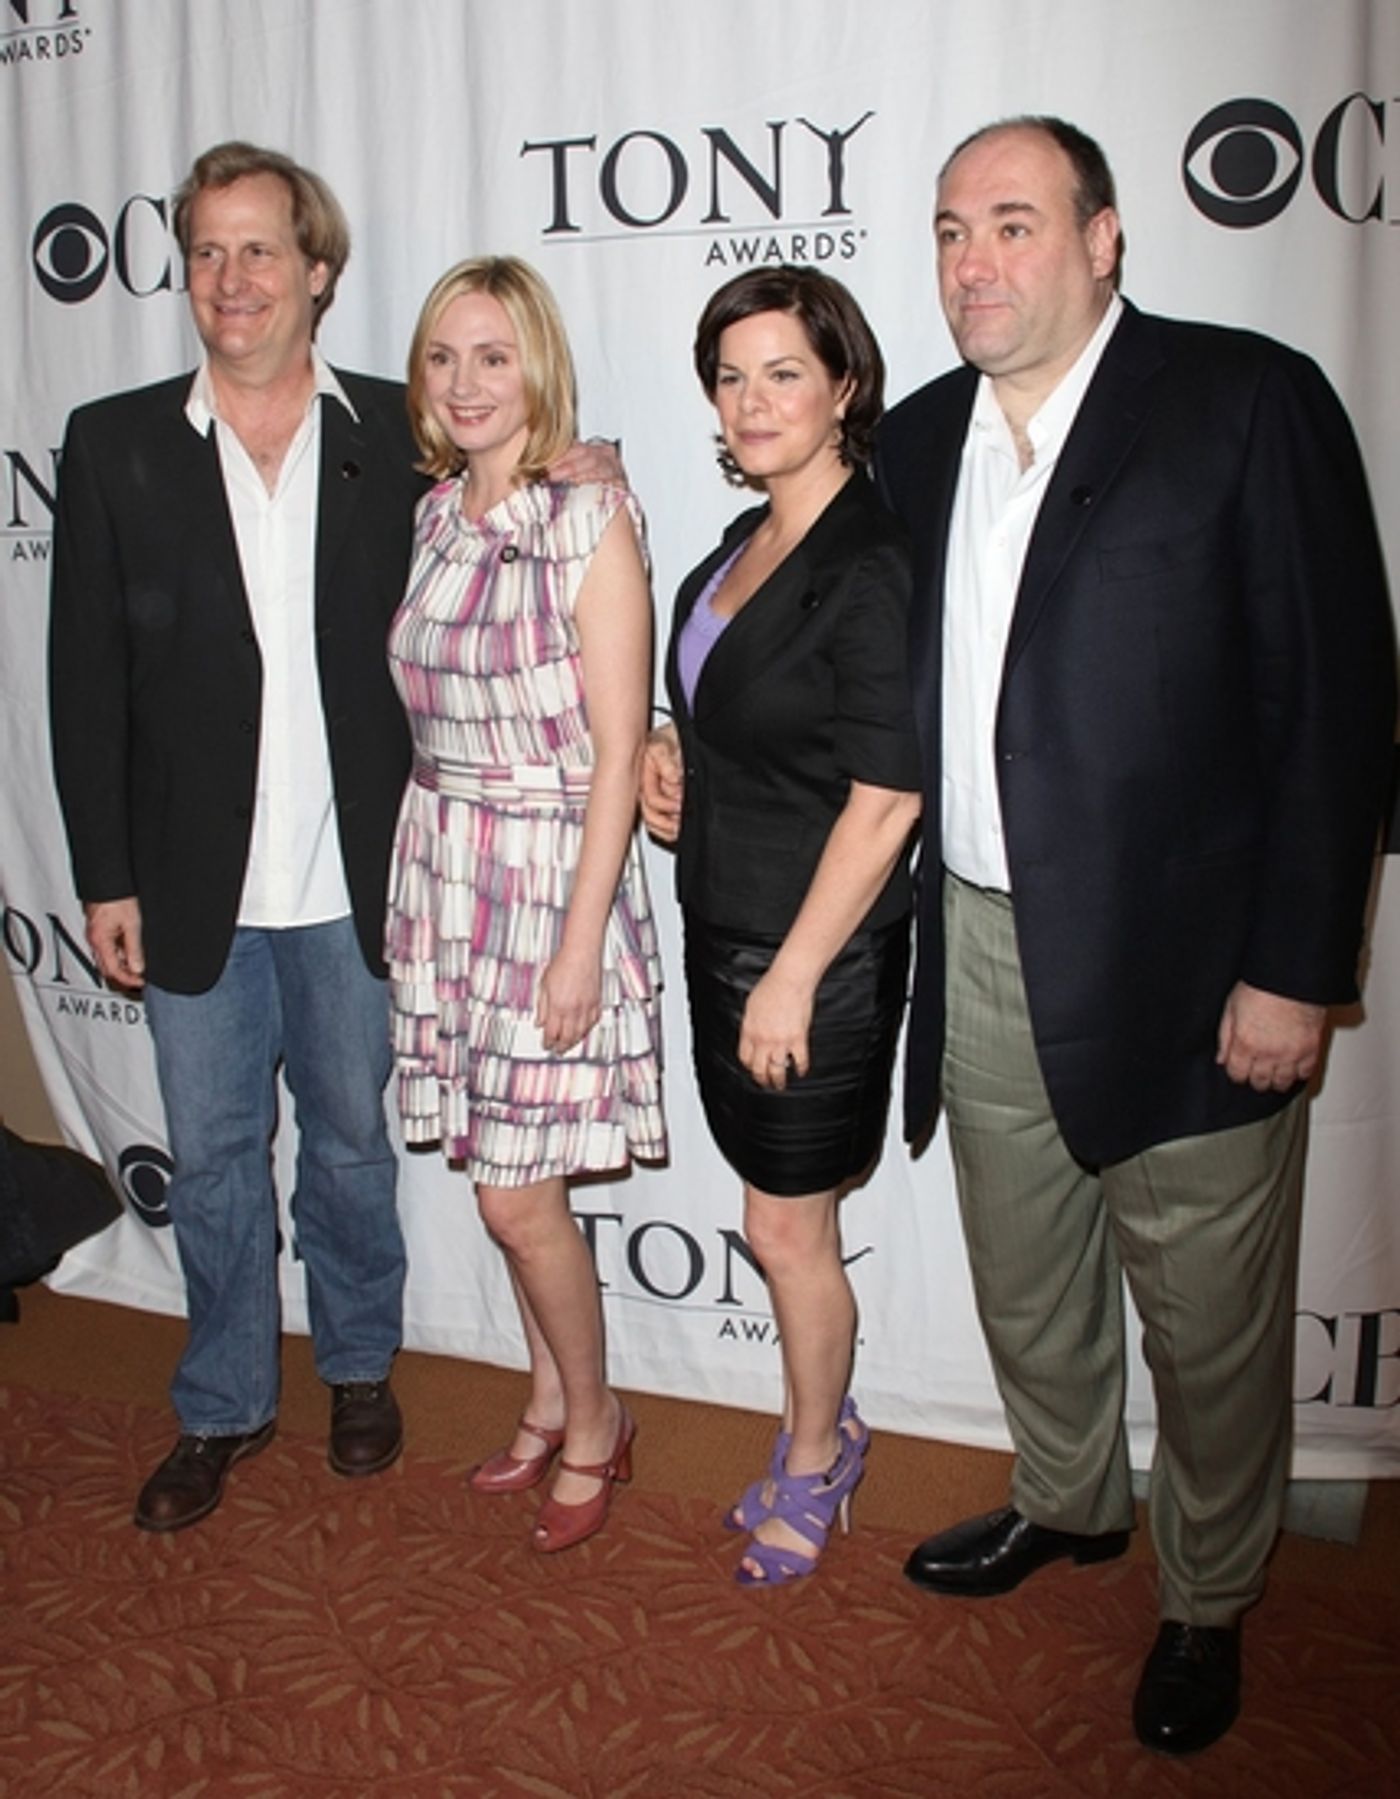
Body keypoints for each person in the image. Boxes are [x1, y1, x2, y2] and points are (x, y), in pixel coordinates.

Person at [875, 116, 1396, 1754]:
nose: (975, 261)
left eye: (1015, 224)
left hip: (1194, 969)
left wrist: (1298, 965)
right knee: (1029, 1281)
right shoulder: (911, 439)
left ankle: (1206, 1596)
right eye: (953, 229)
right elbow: (832, 644)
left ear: (1105, 240)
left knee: (1211, 1321)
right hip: (971, 939)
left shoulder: (1246, 401)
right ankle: (1069, 1498)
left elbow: (1339, 705)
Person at [49, 142, 425, 1531]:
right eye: (207, 251)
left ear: (317, 270)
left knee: (347, 1147)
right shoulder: (115, 443)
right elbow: (83, 686)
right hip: (195, 884)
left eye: (260, 249)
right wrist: (105, 878)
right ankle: (220, 1403)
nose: (231, 280)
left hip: (352, 887)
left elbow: (518, 511)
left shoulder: (399, 433)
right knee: (210, 1161)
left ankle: (361, 1366)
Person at [642, 266, 922, 1586]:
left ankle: (819, 1456)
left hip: (813, 956)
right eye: (732, 375)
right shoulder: (743, 543)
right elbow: (743, 719)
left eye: (783, 374)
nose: (751, 402)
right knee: (776, 1219)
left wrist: (797, 975)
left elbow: (885, 797)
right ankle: (819, 1429)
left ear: (844, 386)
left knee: (786, 1230)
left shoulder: (868, 560)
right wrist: (668, 757)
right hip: (725, 925)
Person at [385, 256, 665, 1554]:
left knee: (515, 1195)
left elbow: (619, 750)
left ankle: (600, 1419)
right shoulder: (436, 513)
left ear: (537, 365)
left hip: (551, 878)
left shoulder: (593, 516)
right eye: (445, 358)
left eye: (493, 355)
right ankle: (551, 1390)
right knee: (511, 1174)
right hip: (447, 870)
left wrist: (577, 946)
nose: (466, 381)